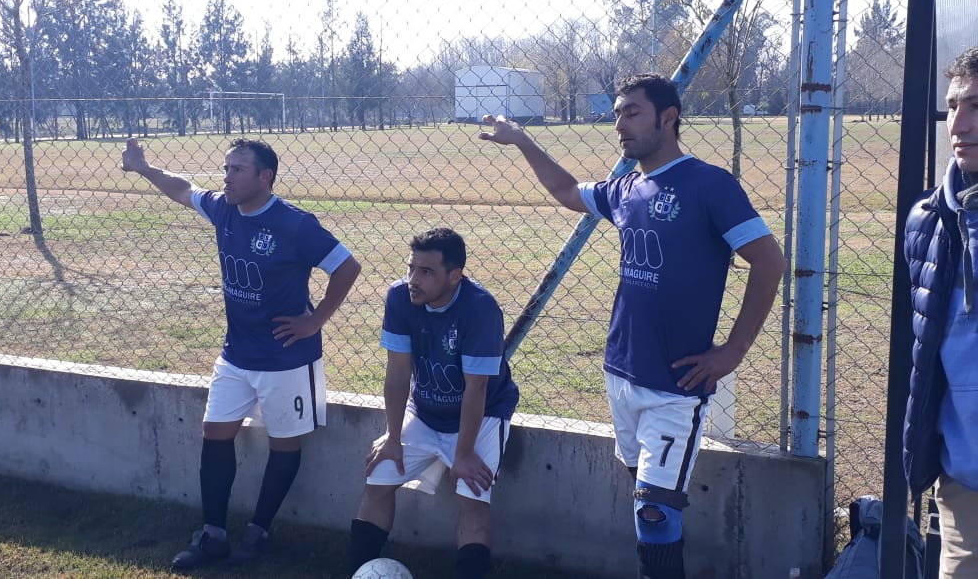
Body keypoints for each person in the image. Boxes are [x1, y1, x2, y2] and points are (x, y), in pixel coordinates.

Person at [477, 74, 784, 579]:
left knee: (655, 515)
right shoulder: (625, 188)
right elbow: (566, 191)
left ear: (669, 118)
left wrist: (734, 350)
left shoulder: (710, 185)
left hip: (675, 387)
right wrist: (524, 141)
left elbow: (769, 262)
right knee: (646, 497)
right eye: (617, 113)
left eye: (632, 113)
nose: (620, 124)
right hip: (620, 375)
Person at [121, 137, 361, 569]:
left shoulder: (295, 224)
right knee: (215, 433)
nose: (226, 177)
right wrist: (143, 167)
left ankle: (259, 530)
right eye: (225, 168)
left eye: (236, 170)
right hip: (236, 354)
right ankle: (213, 535)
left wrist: (315, 320)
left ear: (265, 177)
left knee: (284, 443)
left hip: (287, 358)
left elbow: (347, 266)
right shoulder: (224, 208)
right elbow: (182, 188)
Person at [348, 228, 520, 579]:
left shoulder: (480, 309)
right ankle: (355, 571)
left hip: (483, 413)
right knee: (378, 478)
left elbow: (477, 388)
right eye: (411, 267)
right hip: (424, 410)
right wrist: (392, 436)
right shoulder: (399, 296)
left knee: (472, 496)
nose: (413, 279)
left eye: (426, 272)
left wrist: (464, 453)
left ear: (455, 276)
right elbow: (398, 373)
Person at [903, 46, 978, 578]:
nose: (958, 124)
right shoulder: (927, 220)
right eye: (953, 106)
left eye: (976, 106)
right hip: (964, 475)